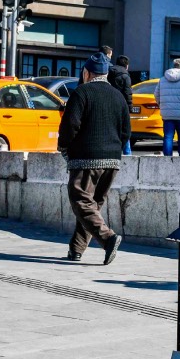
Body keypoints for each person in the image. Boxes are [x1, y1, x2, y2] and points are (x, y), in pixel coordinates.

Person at [57, 52, 129, 265]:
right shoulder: (119, 97)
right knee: (92, 205)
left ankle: (108, 238)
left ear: (87, 72)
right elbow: (126, 132)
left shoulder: (82, 93)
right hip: (113, 160)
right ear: (106, 73)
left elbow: (70, 126)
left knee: (80, 200)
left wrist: (64, 146)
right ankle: (76, 249)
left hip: (87, 158)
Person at [107, 55, 134, 155]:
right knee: (125, 130)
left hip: (108, 106)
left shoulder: (108, 73)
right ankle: (127, 153)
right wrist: (129, 108)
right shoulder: (125, 76)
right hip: (121, 107)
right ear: (127, 65)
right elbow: (128, 94)